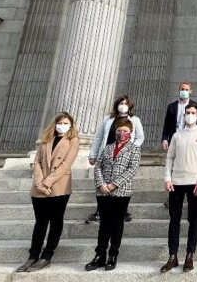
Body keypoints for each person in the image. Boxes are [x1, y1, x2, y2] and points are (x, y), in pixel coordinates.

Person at [16, 112, 80, 273]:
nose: (62, 126)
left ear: (71, 125)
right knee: (40, 222)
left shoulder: (73, 140)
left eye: (66, 123)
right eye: (60, 122)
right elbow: (37, 161)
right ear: (55, 123)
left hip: (59, 186)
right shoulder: (46, 139)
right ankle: (33, 255)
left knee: (56, 220)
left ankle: (47, 255)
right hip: (39, 186)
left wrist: (47, 182)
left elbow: (66, 165)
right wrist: (39, 182)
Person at [85, 119, 141, 272]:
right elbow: (98, 166)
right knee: (104, 224)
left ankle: (113, 255)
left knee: (117, 224)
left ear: (130, 133)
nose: (121, 133)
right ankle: (99, 255)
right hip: (103, 192)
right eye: (119, 130)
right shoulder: (108, 148)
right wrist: (101, 184)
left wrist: (113, 184)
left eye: (124, 131)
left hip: (121, 192)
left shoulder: (134, 149)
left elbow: (132, 169)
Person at [160, 102, 197, 273]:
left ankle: (190, 254)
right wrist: (167, 178)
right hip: (176, 182)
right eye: (187, 112)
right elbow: (170, 158)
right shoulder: (176, 135)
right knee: (174, 219)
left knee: (193, 219)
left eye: (193, 112)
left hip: (194, 182)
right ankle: (172, 256)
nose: (189, 114)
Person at [86, 95, 144, 223]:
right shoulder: (108, 119)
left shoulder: (134, 120)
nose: (123, 105)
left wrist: (131, 148)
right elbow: (99, 137)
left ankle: (124, 211)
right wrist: (93, 154)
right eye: (120, 103)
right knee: (103, 184)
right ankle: (99, 211)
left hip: (124, 155)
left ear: (129, 106)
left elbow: (140, 137)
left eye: (125, 103)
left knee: (121, 184)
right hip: (107, 154)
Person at [161, 81, 197, 207]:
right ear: (179, 90)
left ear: (190, 91)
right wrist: (164, 138)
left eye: (186, 89)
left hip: (190, 138)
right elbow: (167, 124)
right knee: (173, 165)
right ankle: (172, 196)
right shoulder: (172, 106)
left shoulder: (195, 106)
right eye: (182, 88)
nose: (184, 91)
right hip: (176, 137)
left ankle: (190, 191)